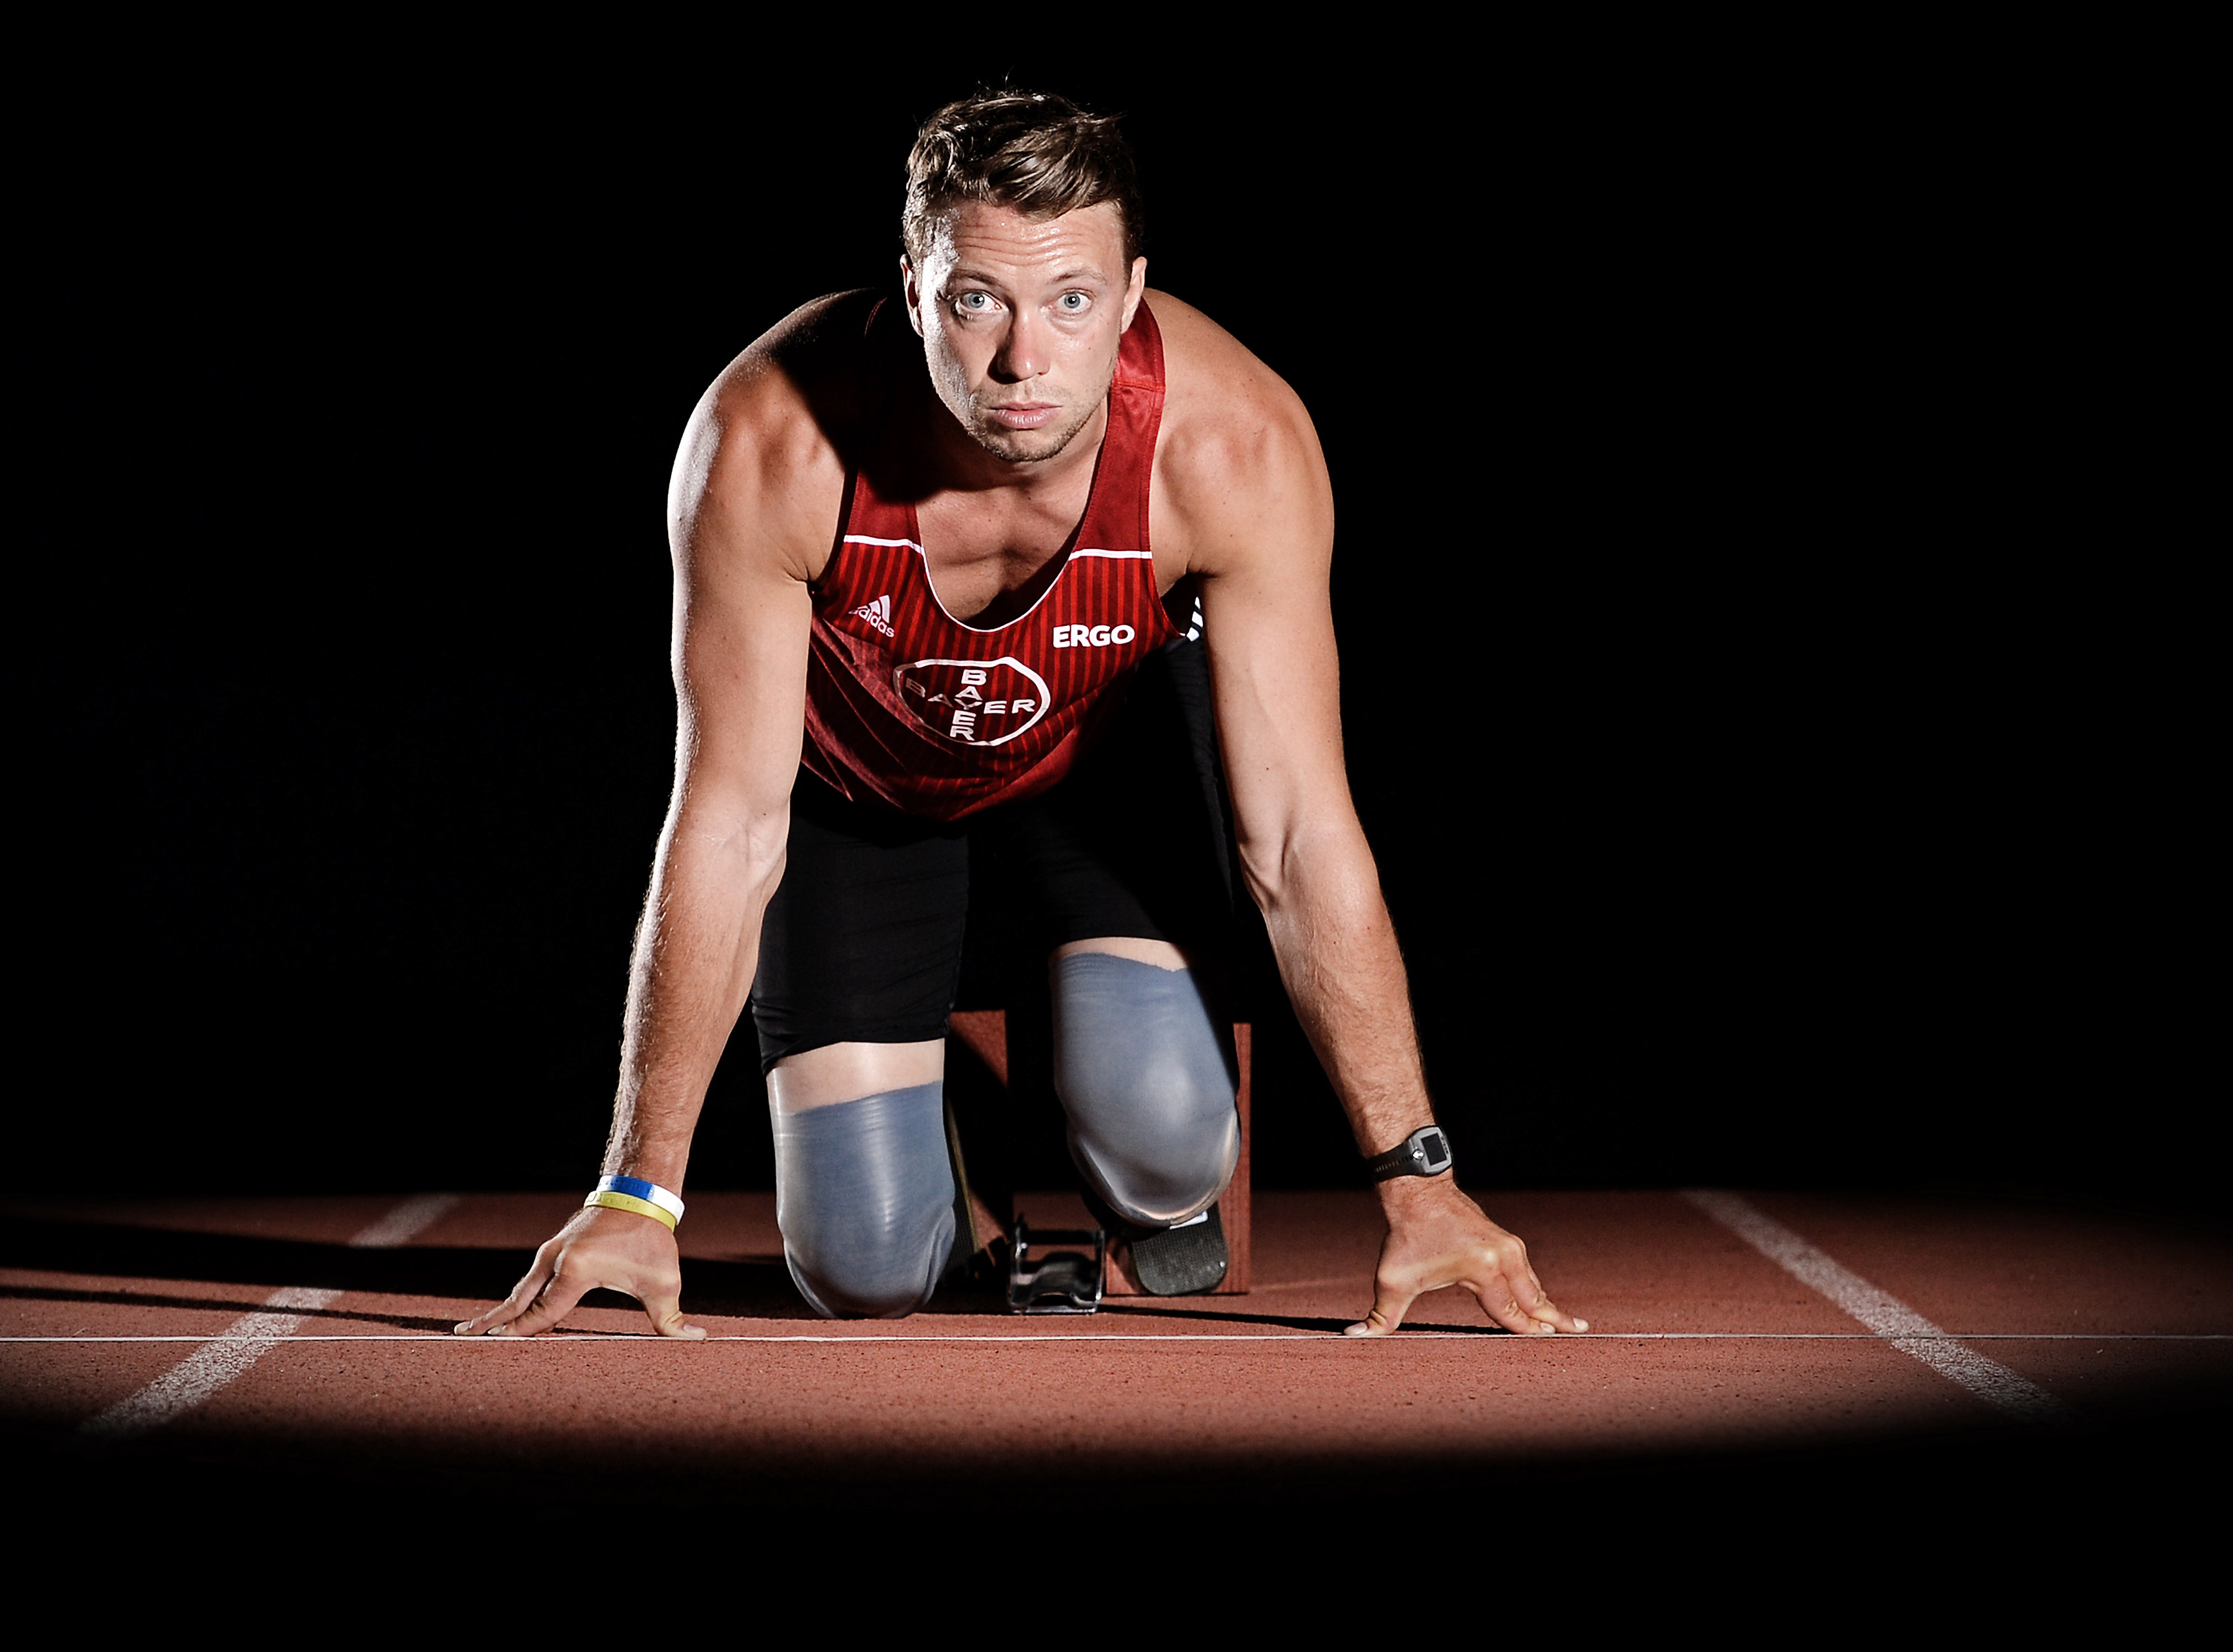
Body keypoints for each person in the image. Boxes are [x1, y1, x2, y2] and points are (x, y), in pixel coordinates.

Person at [456, 89, 1586, 1340]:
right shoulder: (771, 442)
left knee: (1165, 1141)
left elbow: (1304, 839)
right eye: (975, 298)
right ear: (911, 286)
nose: (1021, 359)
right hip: (859, 791)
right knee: (862, 1263)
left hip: (1100, 764)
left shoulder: (1232, 446)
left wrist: (1418, 1180)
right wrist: (637, 1188)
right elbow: (725, 824)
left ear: (1134, 290)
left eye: (1070, 301)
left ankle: (1155, 1171)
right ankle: (950, 1140)